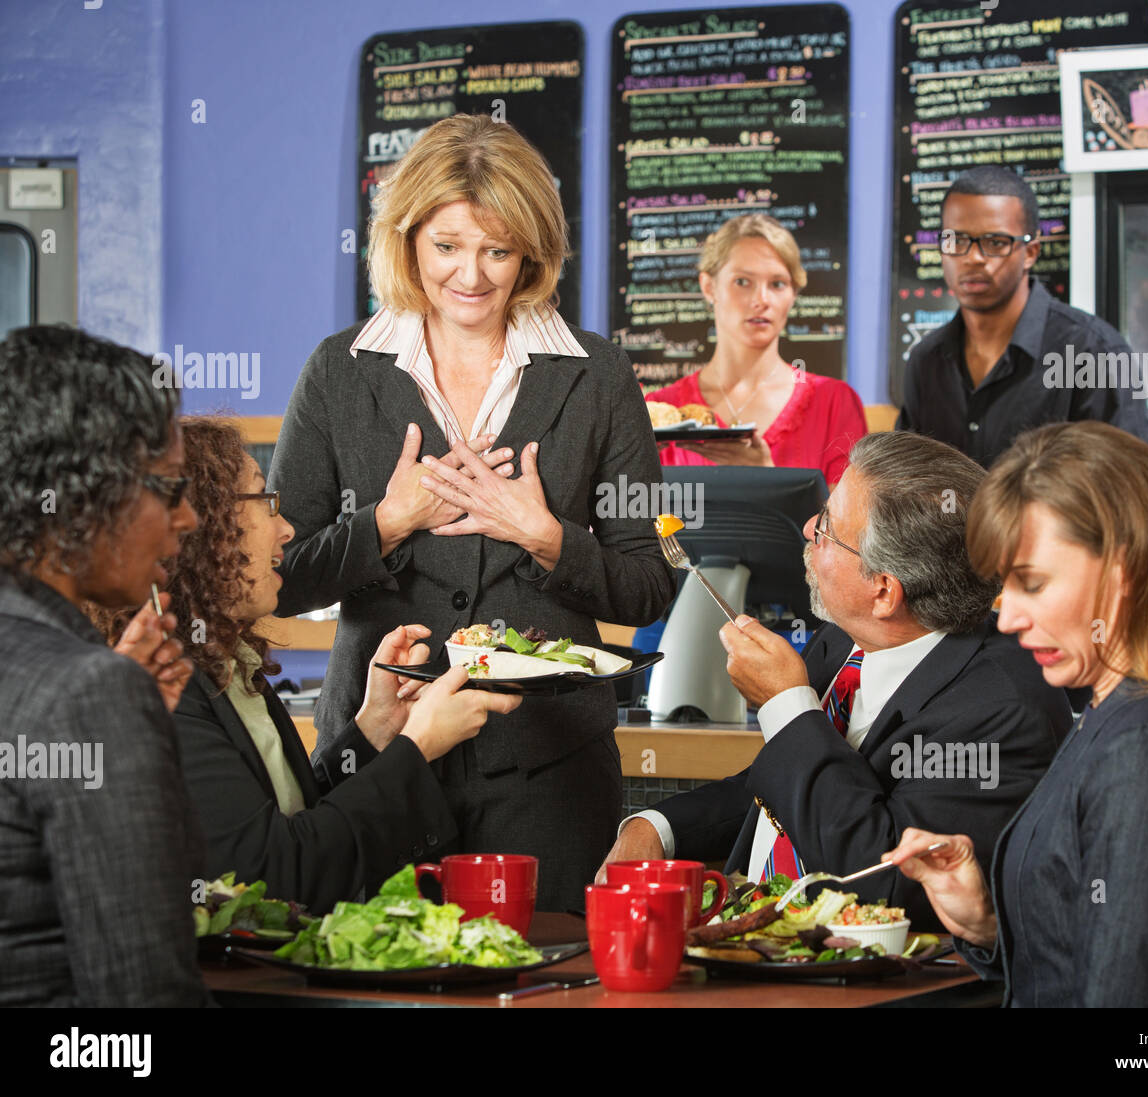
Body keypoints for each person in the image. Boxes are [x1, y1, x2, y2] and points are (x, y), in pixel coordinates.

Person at [268, 115, 675, 911]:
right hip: (380, 755)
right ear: (407, 236)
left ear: (532, 249)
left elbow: (649, 584)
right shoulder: (338, 372)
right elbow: (273, 579)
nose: (472, 275)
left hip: (550, 771)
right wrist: (388, 521)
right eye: (447, 245)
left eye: (498, 248)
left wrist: (545, 536)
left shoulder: (597, 374)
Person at [599, 431, 1072, 931]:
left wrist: (786, 706)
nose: (806, 528)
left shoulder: (1003, 709)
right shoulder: (842, 640)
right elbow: (787, 788)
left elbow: (881, 878)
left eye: (826, 525)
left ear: (884, 591)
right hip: (749, 946)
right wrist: (659, 828)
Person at [885, 420, 1148, 1006]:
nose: (1010, 617)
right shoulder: (1114, 710)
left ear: (1126, 575)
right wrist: (987, 924)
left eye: (1034, 584)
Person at [104, 418, 522, 913]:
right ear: (201, 528)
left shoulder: (230, 666)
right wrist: (416, 748)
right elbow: (277, 874)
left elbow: (295, 817)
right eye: (264, 501)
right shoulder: (164, 691)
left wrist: (374, 731)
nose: (286, 529)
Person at [0, 326, 208, 1006]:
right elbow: (143, 1010)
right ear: (87, 489)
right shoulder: (90, 692)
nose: (190, 518)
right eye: (171, 487)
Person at [896, 166, 1148, 467]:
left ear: (1031, 252)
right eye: (955, 240)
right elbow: (909, 485)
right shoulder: (927, 361)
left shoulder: (1095, 352)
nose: (972, 258)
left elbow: (1138, 487)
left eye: (995, 242)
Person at [649, 214, 867, 486]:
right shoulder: (657, 411)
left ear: (793, 295)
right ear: (709, 286)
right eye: (742, 281)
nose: (761, 300)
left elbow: (848, 528)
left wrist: (765, 476)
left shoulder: (834, 404)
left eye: (777, 284)